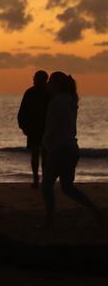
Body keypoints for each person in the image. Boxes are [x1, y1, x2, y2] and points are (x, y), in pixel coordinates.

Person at [41, 71, 104, 228]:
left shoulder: (57, 101)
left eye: (50, 82)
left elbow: (53, 125)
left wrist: (46, 142)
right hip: (71, 148)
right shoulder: (70, 99)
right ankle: (96, 211)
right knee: (67, 187)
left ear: (56, 84)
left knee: (47, 186)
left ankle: (49, 221)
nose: (47, 85)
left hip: (60, 149)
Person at [17, 70, 50, 188]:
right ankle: (39, 179)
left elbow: (22, 111)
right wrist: (23, 126)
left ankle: (40, 180)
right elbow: (22, 112)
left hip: (42, 128)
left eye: (36, 78)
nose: (34, 79)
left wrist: (23, 126)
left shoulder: (44, 93)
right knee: (41, 155)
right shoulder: (35, 92)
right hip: (37, 129)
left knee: (40, 155)